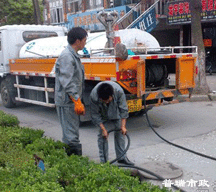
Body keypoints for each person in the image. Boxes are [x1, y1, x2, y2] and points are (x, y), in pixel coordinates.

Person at [55, 27, 88, 156]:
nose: (85, 42)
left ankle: (70, 161)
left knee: (71, 132)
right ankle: (74, 163)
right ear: (78, 41)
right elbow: (67, 81)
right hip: (67, 101)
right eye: (84, 40)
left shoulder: (72, 55)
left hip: (70, 101)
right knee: (71, 135)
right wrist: (76, 100)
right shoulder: (67, 57)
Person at [90, 81, 134, 165]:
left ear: (111, 96)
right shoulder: (94, 95)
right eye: (104, 100)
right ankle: (104, 161)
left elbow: (123, 110)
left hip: (115, 111)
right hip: (102, 113)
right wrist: (103, 129)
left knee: (120, 132)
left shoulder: (119, 92)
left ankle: (122, 158)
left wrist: (123, 126)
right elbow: (95, 115)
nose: (106, 102)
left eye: (107, 100)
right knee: (102, 136)